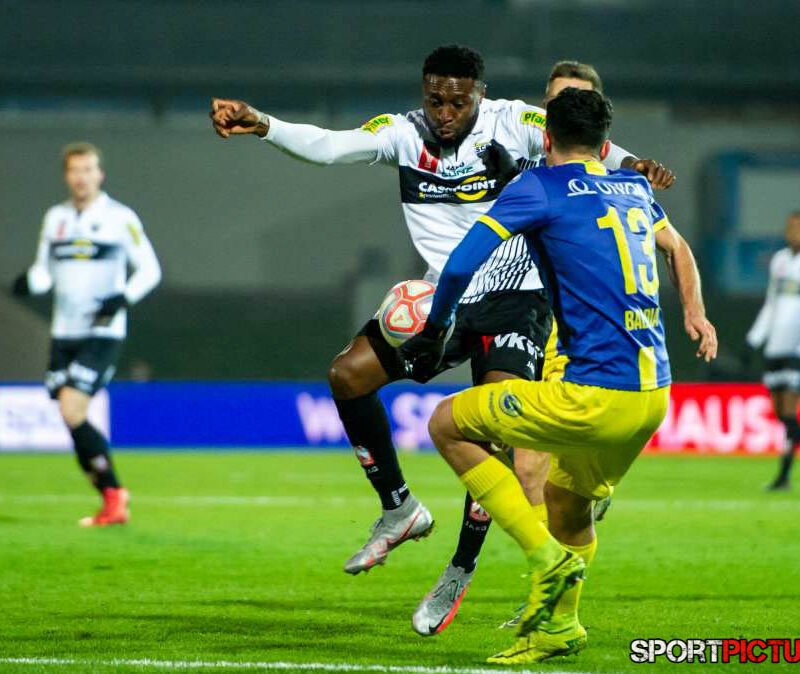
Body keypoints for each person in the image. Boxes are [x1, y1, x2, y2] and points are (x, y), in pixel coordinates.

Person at [209, 45, 674, 590]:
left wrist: (633, 166)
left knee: (495, 430)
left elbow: (585, 144)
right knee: (347, 376)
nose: (445, 113)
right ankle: (399, 508)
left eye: (458, 102)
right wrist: (264, 124)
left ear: (480, 95)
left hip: (514, 298)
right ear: (423, 94)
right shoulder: (402, 133)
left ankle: (463, 565)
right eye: (435, 100)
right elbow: (331, 146)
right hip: (444, 297)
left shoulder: (515, 121)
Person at [399, 87, 716, 663]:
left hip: (594, 395)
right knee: (568, 502)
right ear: (604, 142)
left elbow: (463, 263)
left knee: (447, 423)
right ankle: (560, 628)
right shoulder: (635, 188)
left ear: (545, 138)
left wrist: (435, 327)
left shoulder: (538, 187)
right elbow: (678, 248)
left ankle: (544, 557)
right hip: (653, 397)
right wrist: (695, 312)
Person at [11, 142, 161, 527]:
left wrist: (122, 298)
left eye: (88, 170)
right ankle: (112, 497)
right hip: (64, 332)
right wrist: (28, 283)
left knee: (72, 409)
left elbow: (150, 270)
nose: (82, 177)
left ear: (100, 174)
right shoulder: (56, 218)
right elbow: (45, 272)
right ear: (67, 176)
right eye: (75, 171)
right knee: (70, 416)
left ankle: (114, 495)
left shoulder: (119, 218)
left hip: (102, 331)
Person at [746, 211, 800, 490]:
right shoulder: (779, 260)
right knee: (781, 413)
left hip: (796, 349)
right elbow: (771, 303)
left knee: (790, 411)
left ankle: (783, 476)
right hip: (775, 346)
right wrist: (754, 339)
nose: (791, 232)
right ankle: (783, 475)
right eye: (789, 227)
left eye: (797, 228)